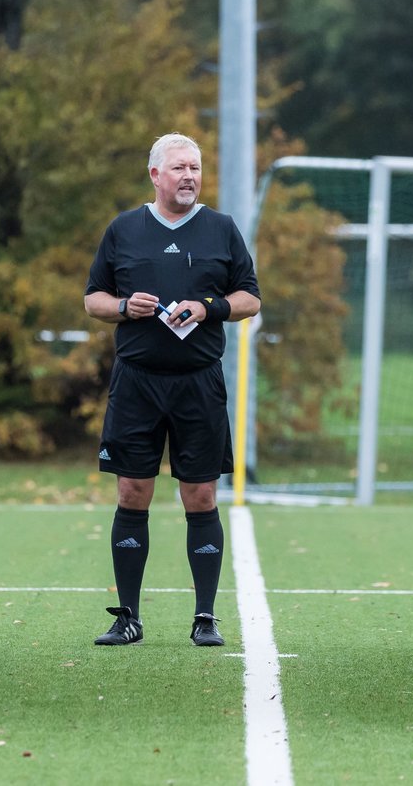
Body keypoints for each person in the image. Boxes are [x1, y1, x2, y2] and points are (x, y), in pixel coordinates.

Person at [83, 132, 260, 647]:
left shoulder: (221, 230)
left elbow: (250, 297)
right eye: (179, 168)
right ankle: (128, 617)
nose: (189, 176)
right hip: (136, 383)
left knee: (200, 494)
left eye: (196, 168)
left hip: (198, 384)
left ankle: (205, 617)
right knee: (132, 491)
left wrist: (209, 307)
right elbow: (93, 298)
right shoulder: (124, 229)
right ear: (155, 175)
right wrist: (123, 307)